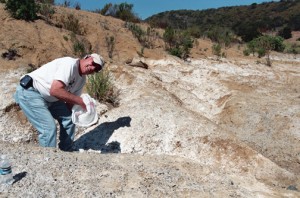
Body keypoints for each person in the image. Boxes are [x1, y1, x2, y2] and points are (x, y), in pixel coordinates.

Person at [14, 53, 105, 151]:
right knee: (48, 128)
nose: (92, 68)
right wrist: (81, 101)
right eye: (93, 63)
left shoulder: (82, 80)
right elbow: (55, 90)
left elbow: (70, 101)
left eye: (96, 69)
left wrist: (78, 112)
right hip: (31, 92)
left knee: (70, 119)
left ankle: (65, 154)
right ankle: (48, 160)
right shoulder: (70, 64)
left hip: (52, 98)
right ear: (87, 57)